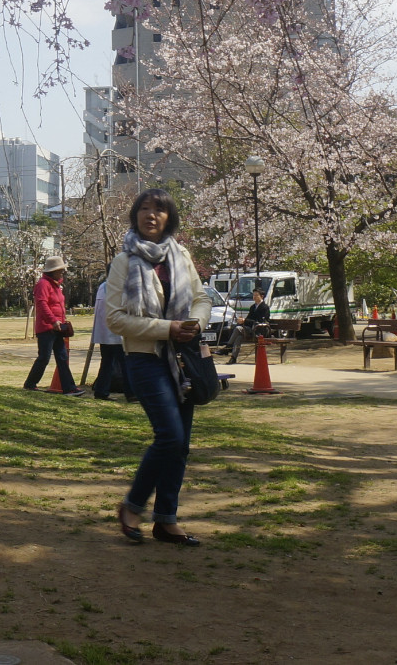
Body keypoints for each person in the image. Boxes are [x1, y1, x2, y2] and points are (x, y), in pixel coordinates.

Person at [105, 188, 210, 547]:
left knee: (180, 446)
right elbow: (116, 319)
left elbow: (201, 298)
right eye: (144, 209)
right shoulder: (124, 262)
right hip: (145, 358)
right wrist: (168, 329)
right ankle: (132, 506)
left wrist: (194, 323)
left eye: (159, 210)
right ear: (135, 216)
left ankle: (166, 520)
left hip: (181, 359)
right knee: (170, 436)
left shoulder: (180, 255)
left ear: (170, 218)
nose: (151, 215)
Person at [25, 255, 80, 394]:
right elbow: (42, 304)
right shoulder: (43, 284)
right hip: (46, 327)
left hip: (58, 327)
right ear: (52, 271)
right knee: (44, 357)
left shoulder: (56, 285)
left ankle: (69, 387)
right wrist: (53, 320)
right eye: (60, 270)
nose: (62, 273)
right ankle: (30, 383)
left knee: (62, 357)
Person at [90, 273, 127, 400]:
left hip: (104, 334)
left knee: (106, 363)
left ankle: (101, 391)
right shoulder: (119, 287)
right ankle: (132, 393)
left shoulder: (103, 286)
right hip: (116, 333)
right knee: (125, 363)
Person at [228, 288, 270, 364]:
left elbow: (260, 322)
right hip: (250, 329)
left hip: (259, 330)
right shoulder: (252, 307)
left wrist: (245, 321)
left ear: (262, 296)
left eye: (256, 295)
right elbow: (248, 320)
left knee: (238, 329)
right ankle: (233, 358)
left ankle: (228, 347)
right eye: (253, 295)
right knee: (239, 337)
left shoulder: (265, 308)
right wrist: (242, 321)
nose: (254, 297)